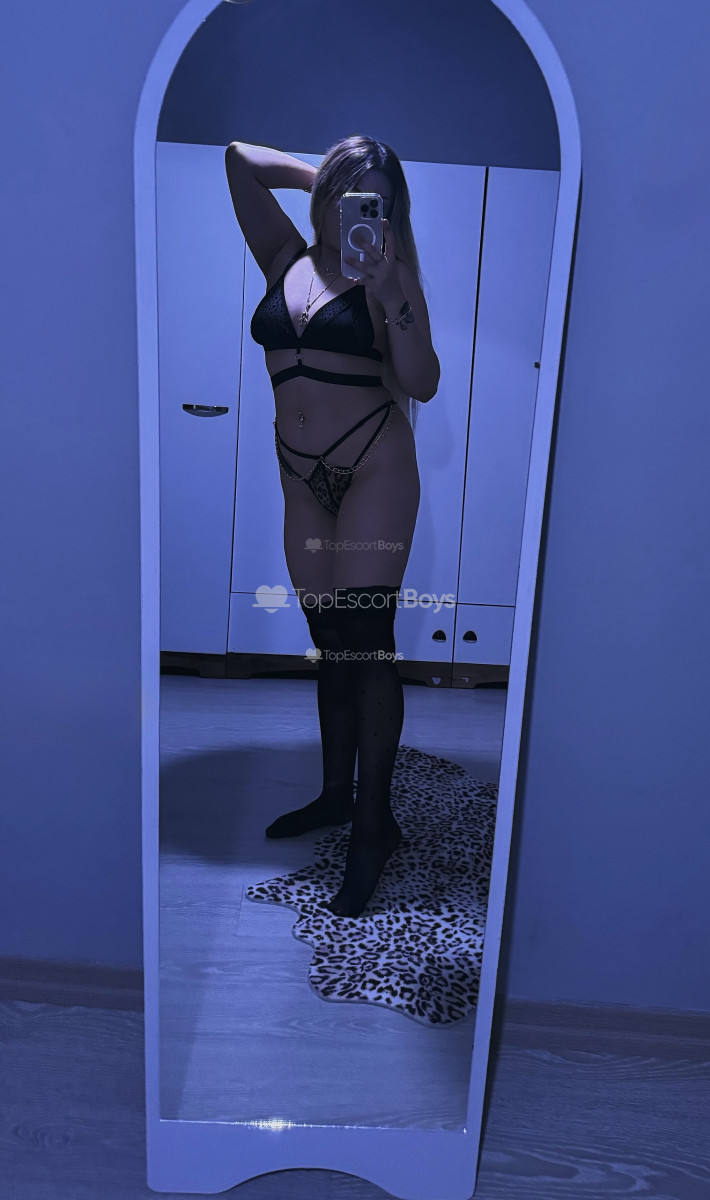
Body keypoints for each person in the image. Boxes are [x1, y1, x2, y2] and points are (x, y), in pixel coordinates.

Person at [225, 134, 440, 917]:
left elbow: (422, 381)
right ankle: (334, 795)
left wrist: (392, 292)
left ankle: (374, 828)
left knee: (366, 642)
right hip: (301, 482)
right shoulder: (284, 255)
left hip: (375, 467)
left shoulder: (390, 274)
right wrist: (331, 176)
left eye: (377, 199)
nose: (360, 209)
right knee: (331, 644)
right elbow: (239, 160)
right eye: (351, 193)